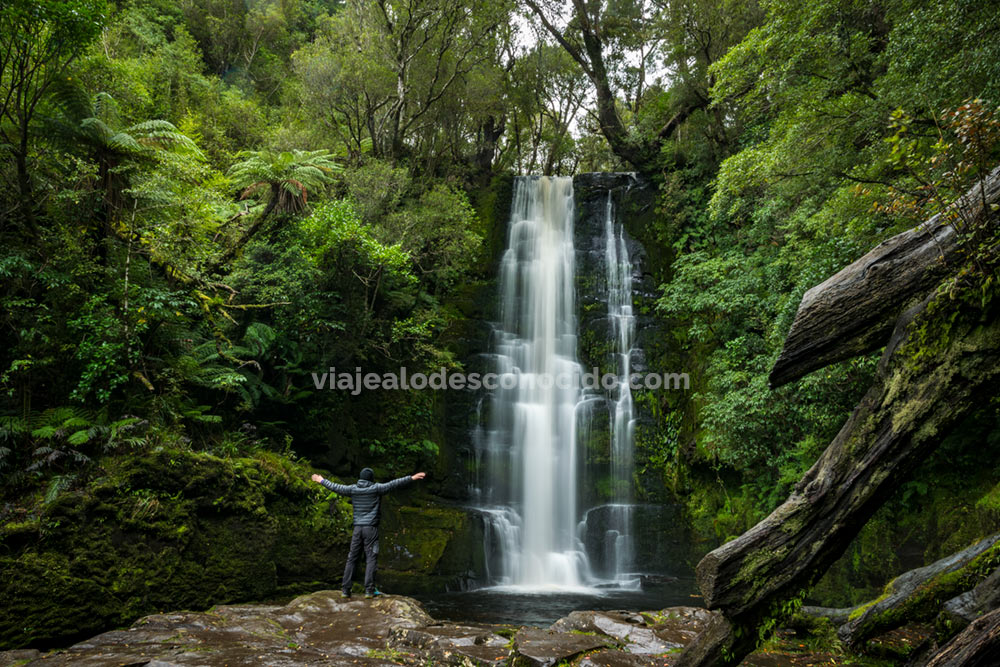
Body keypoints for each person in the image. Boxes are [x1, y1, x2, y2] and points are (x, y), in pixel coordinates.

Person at [311, 467, 426, 598]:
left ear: (360, 478)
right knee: (371, 558)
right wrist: (411, 478)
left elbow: (336, 487)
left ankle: (345, 590)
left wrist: (321, 480)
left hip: (357, 528)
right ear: (371, 479)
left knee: (352, 558)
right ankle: (369, 590)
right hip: (370, 528)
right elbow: (394, 483)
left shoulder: (353, 489)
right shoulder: (376, 488)